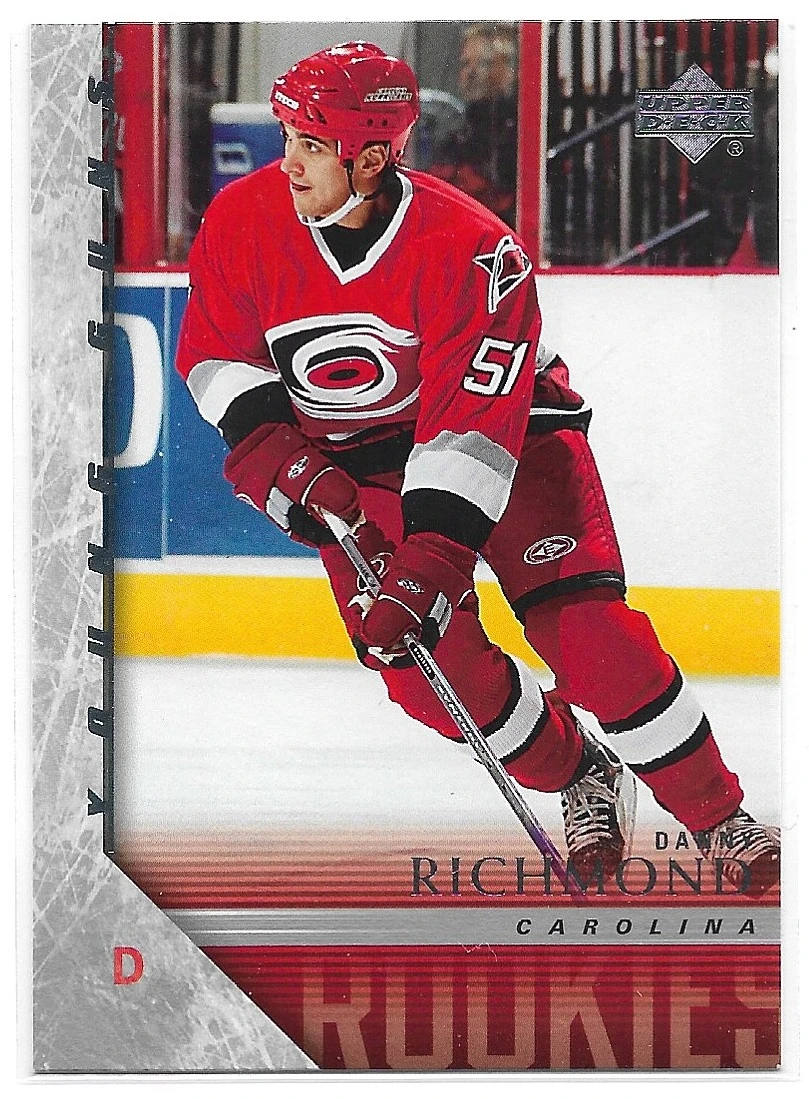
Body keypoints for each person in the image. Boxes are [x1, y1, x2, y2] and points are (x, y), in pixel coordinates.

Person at [176, 42, 779, 893]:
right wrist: (277, 457)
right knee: (428, 677)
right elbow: (217, 354)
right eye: (289, 138)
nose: (289, 163)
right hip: (359, 466)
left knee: (592, 641)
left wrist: (432, 557)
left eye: (310, 144)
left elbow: (469, 428)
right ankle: (581, 772)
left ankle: (719, 818)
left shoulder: (473, 251)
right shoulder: (242, 219)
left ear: (372, 157)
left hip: (513, 439)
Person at [429, 23, 518, 224]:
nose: (471, 73)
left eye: (484, 63)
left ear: (507, 70)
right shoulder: (459, 129)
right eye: (465, 64)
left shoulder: (515, 132)